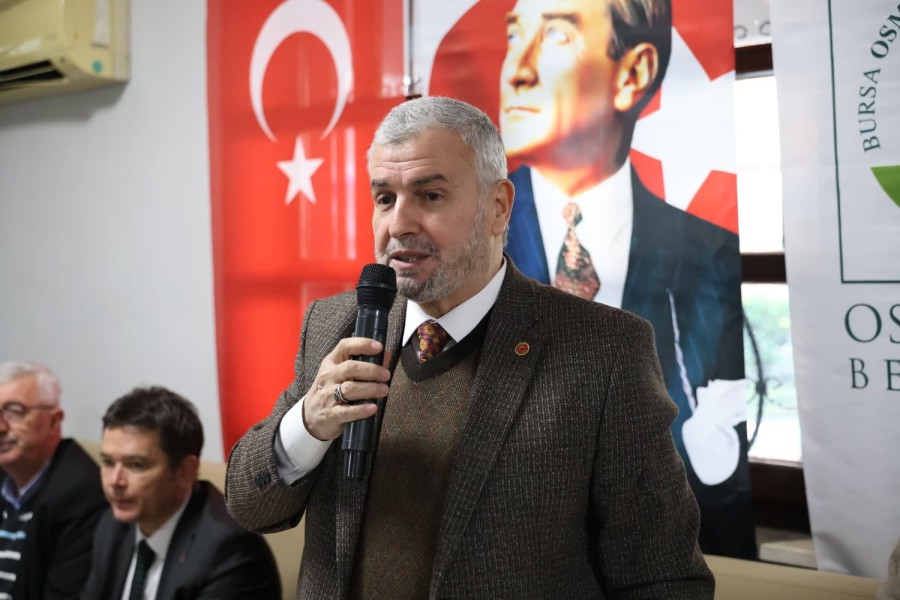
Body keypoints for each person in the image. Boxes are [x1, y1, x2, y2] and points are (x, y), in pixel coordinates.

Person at [225, 96, 713, 599]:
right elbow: (248, 505)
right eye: (384, 198)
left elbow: (664, 578)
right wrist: (308, 424)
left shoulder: (603, 351)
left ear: (498, 206)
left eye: (430, 195)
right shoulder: (336, 325)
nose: (398, 224)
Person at [499, 0, 754, 557]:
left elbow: (716, 459)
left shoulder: (707, 251)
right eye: (514, 37)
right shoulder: (470, 242)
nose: (517, 70)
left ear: (633, 72)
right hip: (506, 549)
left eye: (556, 38)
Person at [82, 386, 280, 600]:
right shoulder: (113, 526)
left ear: (185, 471)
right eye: (108, 462)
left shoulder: (230, 550)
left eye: (136, 465)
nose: (115, 481)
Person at [0, 360, 106, 599]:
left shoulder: (83, 495)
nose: (1, 427)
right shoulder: (5, 476)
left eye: (14, 412)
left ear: (55, 420)